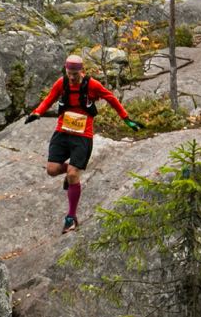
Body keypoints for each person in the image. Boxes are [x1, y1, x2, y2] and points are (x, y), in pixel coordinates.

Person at [24, 55, 141, 233]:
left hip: (82, 137)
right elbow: (49, 98)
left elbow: (111, 98)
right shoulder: (61, 83)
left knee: (73, 175)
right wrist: (37, 112)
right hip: (62, 133)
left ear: (82, 70)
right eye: (69, 73)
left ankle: (71, 218)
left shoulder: (92, 84)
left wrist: (127, 119)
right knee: (52, 170)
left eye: (75, 73)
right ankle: (71, 174)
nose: (72, 77)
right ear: (65, 70)